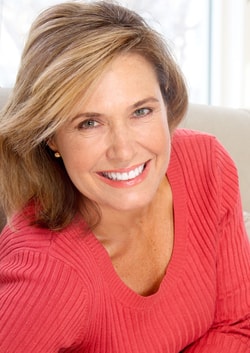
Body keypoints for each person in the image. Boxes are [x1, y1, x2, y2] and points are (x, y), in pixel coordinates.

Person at [0, 1, 249, 352]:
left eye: (141, 111)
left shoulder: (207, 165)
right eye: (89, 122)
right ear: (51, 136)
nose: (123, 150)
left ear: (167, 103)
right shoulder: (45, 270)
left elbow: (237, 324)